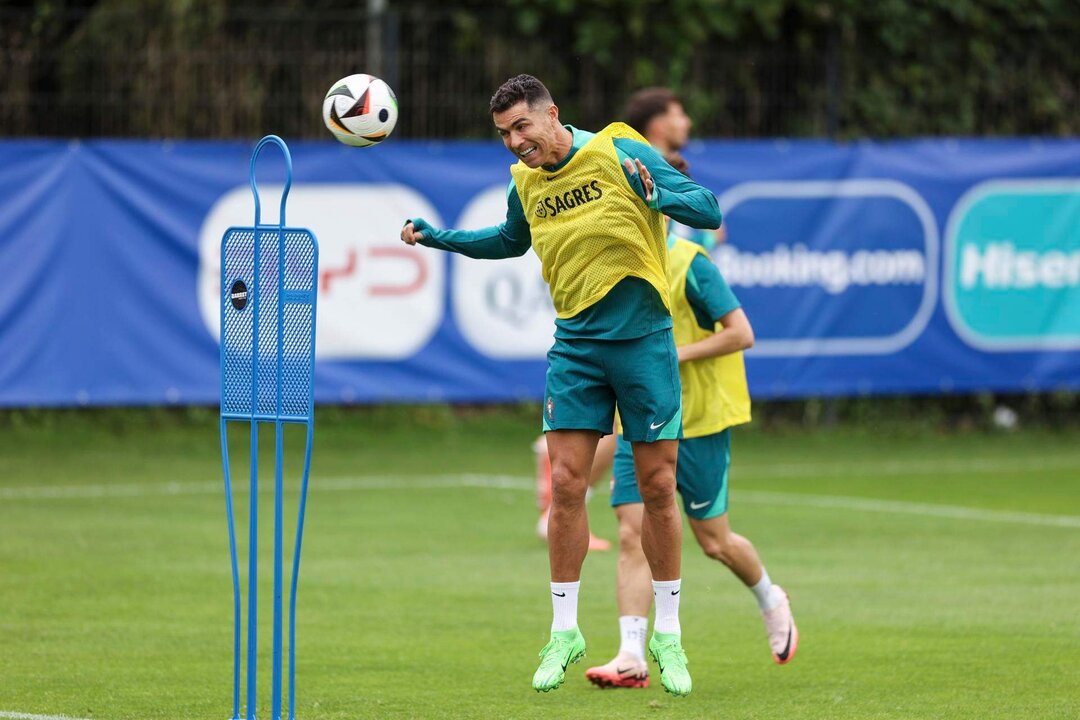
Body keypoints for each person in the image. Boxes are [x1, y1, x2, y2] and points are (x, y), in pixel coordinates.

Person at [400, 74, 721, 696]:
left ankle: (669, 634)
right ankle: (564, 631)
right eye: (503, 134)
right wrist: (438, 237)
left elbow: (707, 208)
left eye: (522, 127)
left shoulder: (620, 149)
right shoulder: (525, 179)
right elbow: (508, 240)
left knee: (657, 486)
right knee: (567, 485)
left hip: (644, 341)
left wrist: (662, 198)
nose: (515, 143)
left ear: (553, 115)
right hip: (576, 346)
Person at [584, 175, 799, 691]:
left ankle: (771, 597)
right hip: (638, 420)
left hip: (699, 422)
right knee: (633, 534)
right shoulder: (612, 267)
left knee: (715, 542)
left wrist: (672, 356)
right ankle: (631, 655)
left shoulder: (690, 265)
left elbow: (742, 333)